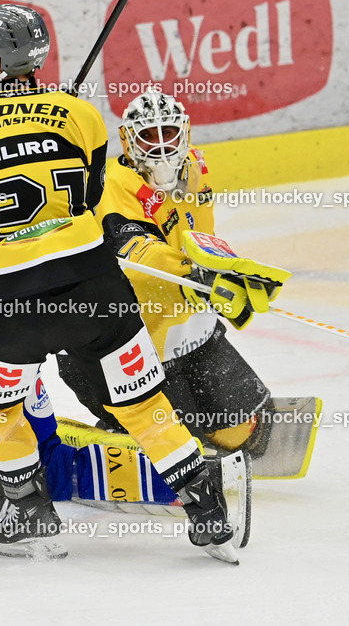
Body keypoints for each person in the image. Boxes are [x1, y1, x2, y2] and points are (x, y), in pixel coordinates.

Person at [0, 3, 240, 562]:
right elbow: (89, 194)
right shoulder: (81, 113)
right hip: (95, 282)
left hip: (15, 296)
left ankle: (30, 511)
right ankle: (207, 508)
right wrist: (54, 120)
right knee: (142, 403)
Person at [57, 88, 312, 479]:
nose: (161, 146)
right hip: (129, 345)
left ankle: (156, 432)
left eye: (169, 133)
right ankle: (120, 431)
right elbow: (137, 251)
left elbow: (200, 240)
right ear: (127, 140)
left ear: (186, 133)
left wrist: (227, 274)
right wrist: (191, 278)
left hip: (188, 329)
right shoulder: (114, 186)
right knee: (183, 453)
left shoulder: (195, 168)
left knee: (243, 432)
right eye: (148, 136)